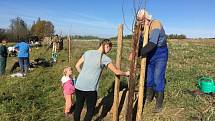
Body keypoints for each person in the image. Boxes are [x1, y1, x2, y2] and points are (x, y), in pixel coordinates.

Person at [74, 39, 130, 121]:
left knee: (78, 108)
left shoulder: (88, 52)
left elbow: (77, 66)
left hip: (79, 85)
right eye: (109, 49)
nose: (108, 51)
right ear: (106, 46)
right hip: (90, 89)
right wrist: (126, 73)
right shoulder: (104, 58)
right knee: (90, 110)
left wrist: (83, 75)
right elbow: (116, 71)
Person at [135, 9, 168, 113]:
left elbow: (152, 43)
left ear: (146, 18)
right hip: (149, 53)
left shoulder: (155, 24)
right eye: (139, 21)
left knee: (158, 77)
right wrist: (136, 51)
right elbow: (140, 44)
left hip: (160, 53)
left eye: (141, 20)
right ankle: (149, 97)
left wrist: (138, 54)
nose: (140, 23)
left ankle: (159, 104)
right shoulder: (143, 28)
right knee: (149, 77)